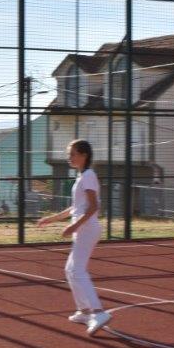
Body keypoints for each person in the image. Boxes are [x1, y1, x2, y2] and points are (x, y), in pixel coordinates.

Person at [36, 139, 111, 336]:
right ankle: (84, 311)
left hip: (87, 229)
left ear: (84, 155)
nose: (69, 158)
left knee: (77, 270)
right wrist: (51, 219)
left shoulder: (88, 176)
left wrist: (74, 226)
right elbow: (75, 208)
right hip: (83, 229)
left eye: (73, 154)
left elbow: (94, 207)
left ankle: (98, 312)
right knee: (70, 270)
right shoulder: (83, 176)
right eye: (69, 154)